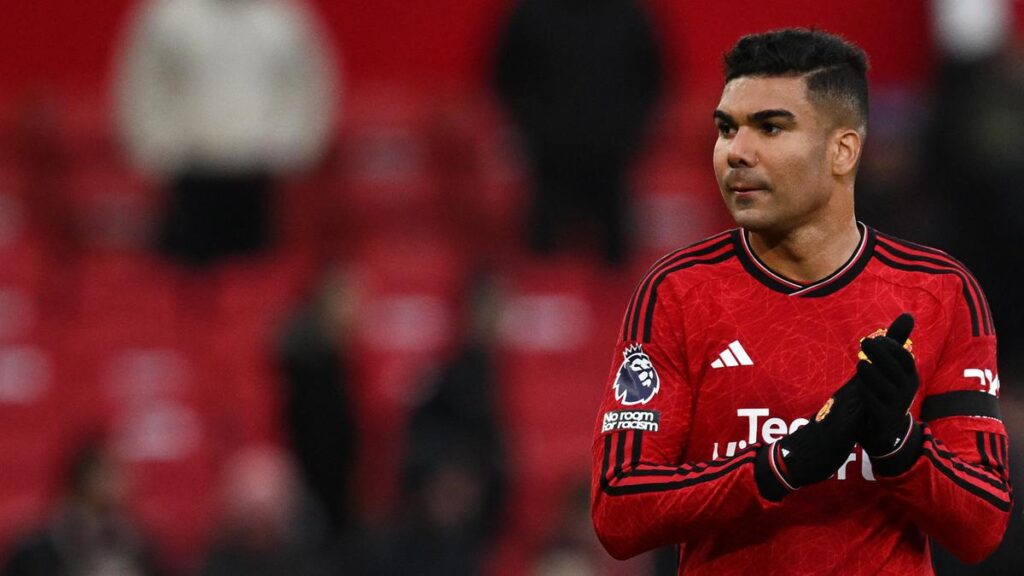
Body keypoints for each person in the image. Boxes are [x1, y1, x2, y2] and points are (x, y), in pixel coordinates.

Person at [590, 29, 1012, 575]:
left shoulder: (939, 292)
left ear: (843, 151)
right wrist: (780, 466)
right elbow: (619, 511)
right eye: (726, 128)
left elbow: (982, 528)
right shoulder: (676, 292)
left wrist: (898, 444)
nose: (736, 153)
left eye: (770, 127)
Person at [115, 0, 337, 267]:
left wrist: (295, 146)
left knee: (258, 273)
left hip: (258, 172)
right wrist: (154, 148)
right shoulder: (168, 16)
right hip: (191, 172)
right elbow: (145, 85)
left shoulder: (281, 16)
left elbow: (307, 83)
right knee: (190, 272)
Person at [493, 0, 663, 266]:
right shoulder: (530, 13)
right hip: (549, 165)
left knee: (617, 266)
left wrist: (628, 134)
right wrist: (534, 129)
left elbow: (654, 80)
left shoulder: (629, 14)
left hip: (611, 164)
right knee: (542, 264)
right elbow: (505, 78)